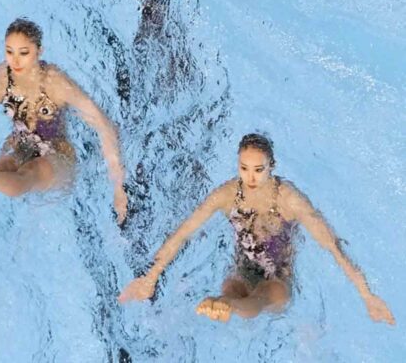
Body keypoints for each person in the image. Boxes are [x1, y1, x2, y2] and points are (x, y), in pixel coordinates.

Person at [118, 133, 395, 324]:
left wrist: (366, 295)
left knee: (261, 298)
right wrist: (151, 276)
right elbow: (183, 232)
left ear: (271, 167)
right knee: (232, 288)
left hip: (278, 280)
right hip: (241, 271)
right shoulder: (227, 195)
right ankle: (226, 302)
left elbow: (332, 245)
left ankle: (230, 305)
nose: (250, 177)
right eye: (244, 168)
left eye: (259, 170)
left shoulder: (289, 199)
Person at [0, 18, 127, 223]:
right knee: (4, 164)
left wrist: (118, 188)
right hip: (20, 142)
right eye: (9, 51)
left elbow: (104, 125)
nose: (15, 61)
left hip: (57, 153)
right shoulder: (0, 79)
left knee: (29, 174)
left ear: (39, 51)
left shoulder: (56, 83)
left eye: (24, 53)